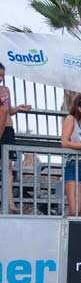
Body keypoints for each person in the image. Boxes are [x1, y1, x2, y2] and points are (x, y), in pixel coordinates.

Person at [0, 63, 31, 213]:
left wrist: (18, 108)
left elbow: (9, 111)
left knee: (8, 167)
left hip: (7, 129)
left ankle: (10, 202)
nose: (1, 78)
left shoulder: (5, 90)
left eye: (2, 76)